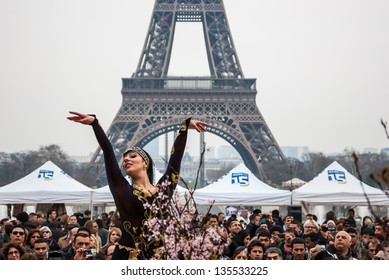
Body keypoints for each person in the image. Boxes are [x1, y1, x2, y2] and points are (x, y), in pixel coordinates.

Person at [67, 111, 207, 260]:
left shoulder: (163, 189)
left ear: (145, 163)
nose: (127, 159)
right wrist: (95, 124)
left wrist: (184, 128)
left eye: (133, 156)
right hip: (126, 256)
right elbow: (108, 152)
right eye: (125, 157)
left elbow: (175, 159)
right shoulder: (122, 189)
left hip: (159, 257)